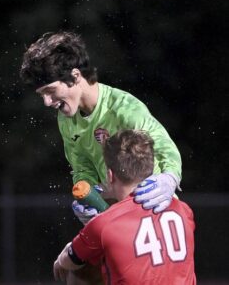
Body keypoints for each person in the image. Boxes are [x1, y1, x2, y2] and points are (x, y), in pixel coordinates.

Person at [20, 31, 182, 284]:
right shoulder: (67, 119)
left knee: (76, 266)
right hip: (116, 218)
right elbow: (81, 165)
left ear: (75, 76)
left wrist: (169, 177)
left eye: (50, 91)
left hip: (152, 213)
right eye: (41, 94)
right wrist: (91, 196)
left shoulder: (125, 109)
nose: (46, 102)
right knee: (79, 274)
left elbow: (163, 145)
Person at [53, 129, 196, 284]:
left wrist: (65, 256)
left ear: (110, 175)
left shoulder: (103, 224)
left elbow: (69, 261)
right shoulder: (184, 210)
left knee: (78, 271)